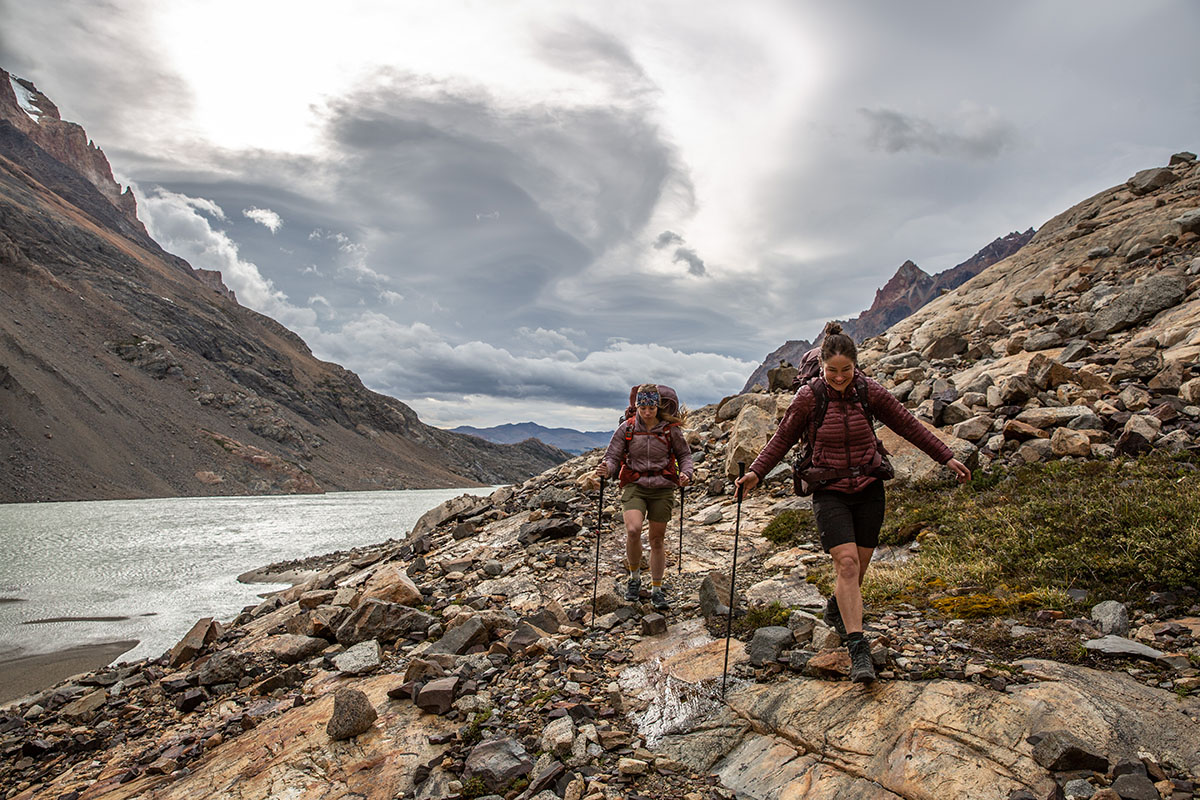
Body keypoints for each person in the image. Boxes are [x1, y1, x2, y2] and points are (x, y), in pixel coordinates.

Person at [735, 322, 971, 682]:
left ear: (856, 366)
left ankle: (836, 607)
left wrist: (945, 456)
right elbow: (782, 438)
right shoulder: (809, 397)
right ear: (823, 366)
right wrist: (755, 473)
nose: (840, 377)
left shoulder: (868, 390)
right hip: (829, 489)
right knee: (846, 565)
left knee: (858, 568)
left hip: (869, 486)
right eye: (833, 371)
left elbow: (907, 424)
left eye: (847, 370)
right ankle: (858, 649)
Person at [594, 383, 694, 612]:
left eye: (651, 407)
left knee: (657, 540)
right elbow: (612, 456)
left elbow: (684, 456)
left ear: (657, 406)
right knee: (633, 530)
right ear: (637, 406)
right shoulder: (626, 428)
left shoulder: (670, 430)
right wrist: (606, 469)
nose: (647, 412)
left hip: (663, 487)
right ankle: (634, 578)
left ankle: (657, 589)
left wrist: (686, 473)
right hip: (635, 485)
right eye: (642, 407)